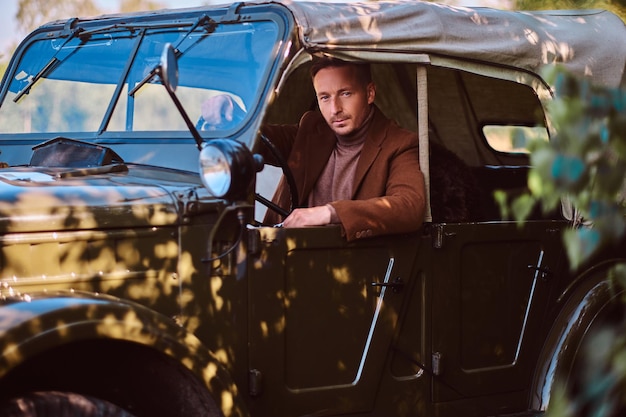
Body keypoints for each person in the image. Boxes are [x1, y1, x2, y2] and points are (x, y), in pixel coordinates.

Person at [201, 58, 425, 241]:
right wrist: (231, 116)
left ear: (370, 93)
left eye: (345, 93)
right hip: (282, 254)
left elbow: (409, 206)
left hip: (350, 269)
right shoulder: (312, 128)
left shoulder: (399, 143)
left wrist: (328, 212)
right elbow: (264, 139)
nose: (335, 109)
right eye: (324, 97)